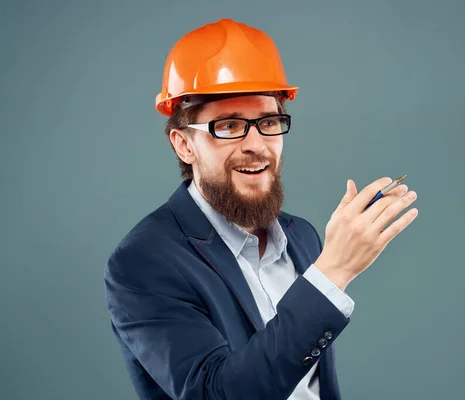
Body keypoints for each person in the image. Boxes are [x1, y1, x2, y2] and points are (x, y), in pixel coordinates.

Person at [104, 18, 418, 400]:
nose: (256, 144)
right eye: (230, 126)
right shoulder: (142, 263)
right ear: (184, 145)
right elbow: (216, 393)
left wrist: (327, 269)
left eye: (268, 122)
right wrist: (332, 272)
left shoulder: (301, 236)